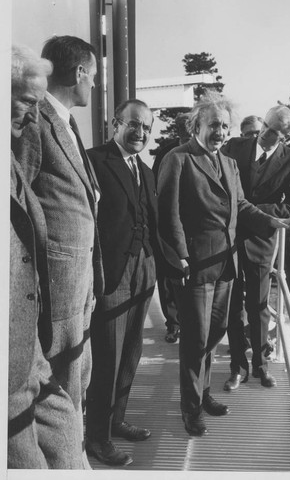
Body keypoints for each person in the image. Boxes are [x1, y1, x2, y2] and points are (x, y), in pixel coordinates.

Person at [157, 91, 290, 437]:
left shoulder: (230, 163)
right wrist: (180, 257)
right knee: (195, 339)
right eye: (213, 125)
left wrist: (273, 222)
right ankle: (190, 409)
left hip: (226, 264)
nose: (220, 132)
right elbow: (167, 214)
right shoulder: (178, 159)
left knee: (214, 334)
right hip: (195, 265)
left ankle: (203, 394)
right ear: (196, 125)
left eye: (225, 126)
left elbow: (242, 206)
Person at [12, 35, 104, 468]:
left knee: (75, 386)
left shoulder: (65, 122)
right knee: (61, 396)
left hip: (78, 288)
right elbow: (17, 203)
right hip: (54, 293)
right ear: (82, 72)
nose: (95, 87)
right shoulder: (33, 119)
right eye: (94, 77)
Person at [85, 99, 158, 466]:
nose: (140, 133)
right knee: (108, 357)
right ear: (116, 124)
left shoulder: (145, 169)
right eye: (134, 125)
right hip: (113, 273)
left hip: (145, 267)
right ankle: (97, 438)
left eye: (146, 127)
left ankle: (117, 420)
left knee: (132, 350)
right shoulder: (94, 160)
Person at [221, 105, 290, 391]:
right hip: (228, 239)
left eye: (274, 132)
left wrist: (253, 211)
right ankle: (237, 368)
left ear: (287, 135)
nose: (266, 135)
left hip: (260, 240)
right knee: (232, 307)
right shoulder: (234, 146)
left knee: (258, 307)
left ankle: (260, 366)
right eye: (266, 127)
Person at [151, 112, 191, 343]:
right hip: (168, 219)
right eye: (183, 133)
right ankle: (173, 324)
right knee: (168, 276)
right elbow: (157, 181)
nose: (187, 137)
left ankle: (188, 322)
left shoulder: (201, 150)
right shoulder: (167, 151)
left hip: (192, 222)